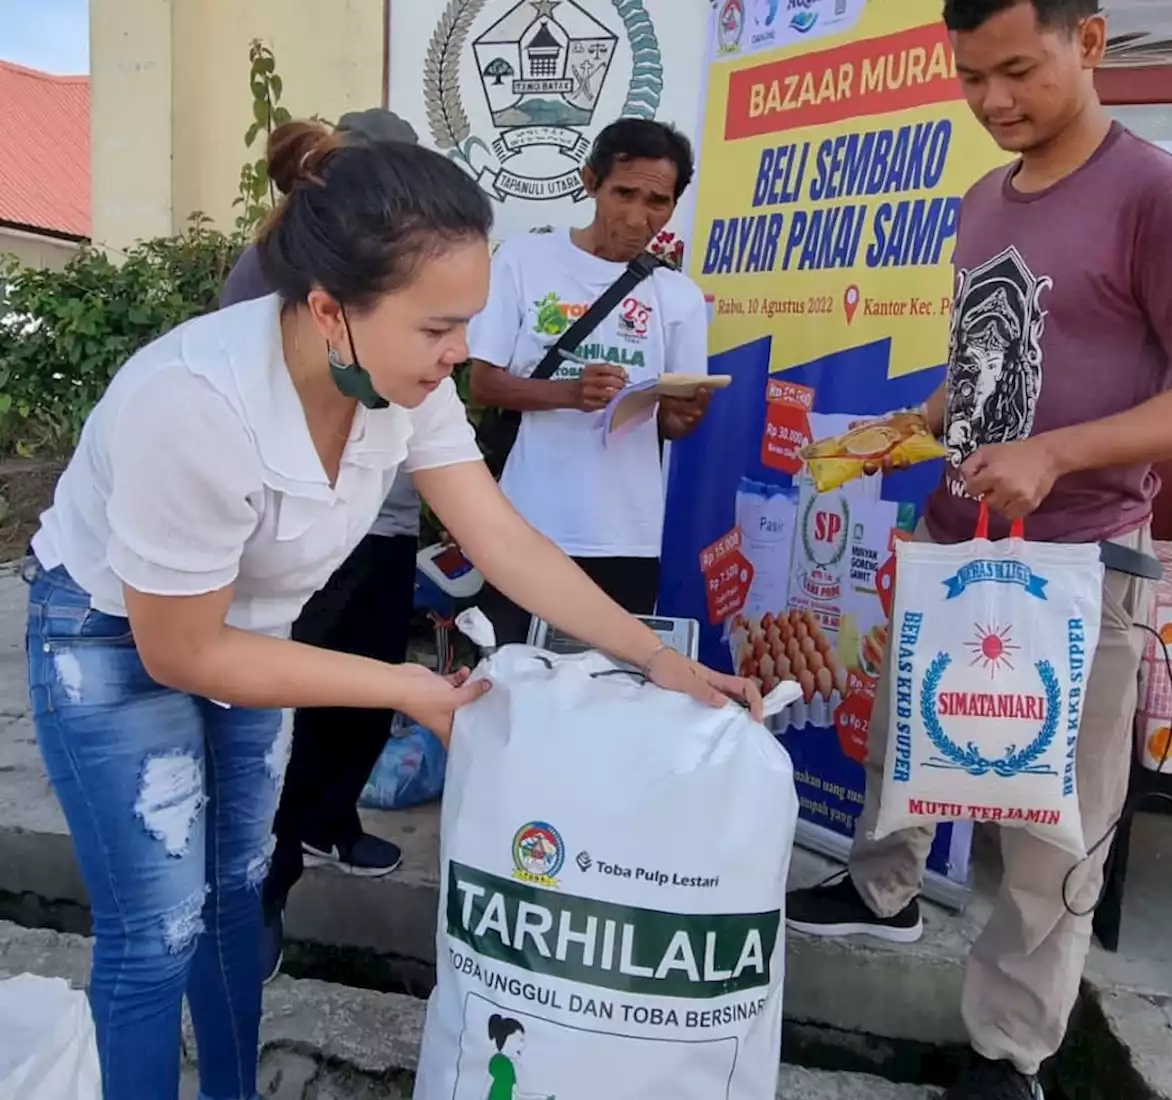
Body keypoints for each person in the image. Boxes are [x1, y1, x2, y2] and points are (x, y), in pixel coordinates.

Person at [24, 118, 759, 1100]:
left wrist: (654, 658)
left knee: (237, 897)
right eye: (436, 328)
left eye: (467, 322)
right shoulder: (193, 402)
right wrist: (407, 685)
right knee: (157, 928)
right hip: (113, 637)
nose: (459, 355)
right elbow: (185, 648)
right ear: (330, 313)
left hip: (250, 635)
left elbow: (502, 537)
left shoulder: (404, 377)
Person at [784, 2, 1172, 1098]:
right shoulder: (982, 197)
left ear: (1086, 43)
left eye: (1015, 71)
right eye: (968, 79)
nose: (992, 102)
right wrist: (908, 427)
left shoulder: (1162, 197)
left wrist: (1051, 454)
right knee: (906, 742)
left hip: (1080, 557)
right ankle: (880, 892)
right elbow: (985, 363)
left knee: (1056, 820)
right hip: (961, 531)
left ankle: (1009, 1045)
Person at [220, 106, 426, 982]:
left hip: (389, 517)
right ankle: (266, 882)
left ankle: (332, 821)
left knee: (367, 692)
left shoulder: (410, 275)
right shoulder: (274, 267)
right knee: (283, 704)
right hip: (301, 522)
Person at [468, 118, 712, 645]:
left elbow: (672, 424)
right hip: (524, 525)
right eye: (623, 193)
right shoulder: (522, 261)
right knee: (511, 684)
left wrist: (684, 415)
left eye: (657, 201)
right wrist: (567, 394)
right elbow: (482, 385)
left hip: (628, 535)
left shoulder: (680, 297)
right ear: (589, 181)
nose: (636, 216)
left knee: (611, 691)